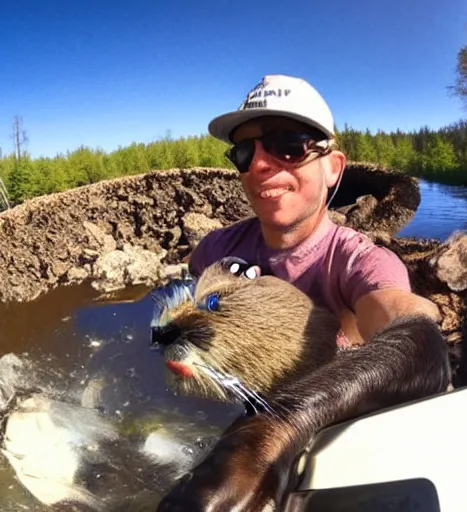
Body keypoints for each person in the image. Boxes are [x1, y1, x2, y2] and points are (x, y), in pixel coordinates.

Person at [156, 74, 451, 512]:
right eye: (244, 151)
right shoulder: (215, 249)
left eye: (287, 145)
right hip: (214, 410)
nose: (259, 165)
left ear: (333, 167)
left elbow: (421, 342)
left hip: (307, 433)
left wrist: (272, 430)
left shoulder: (357, 263)